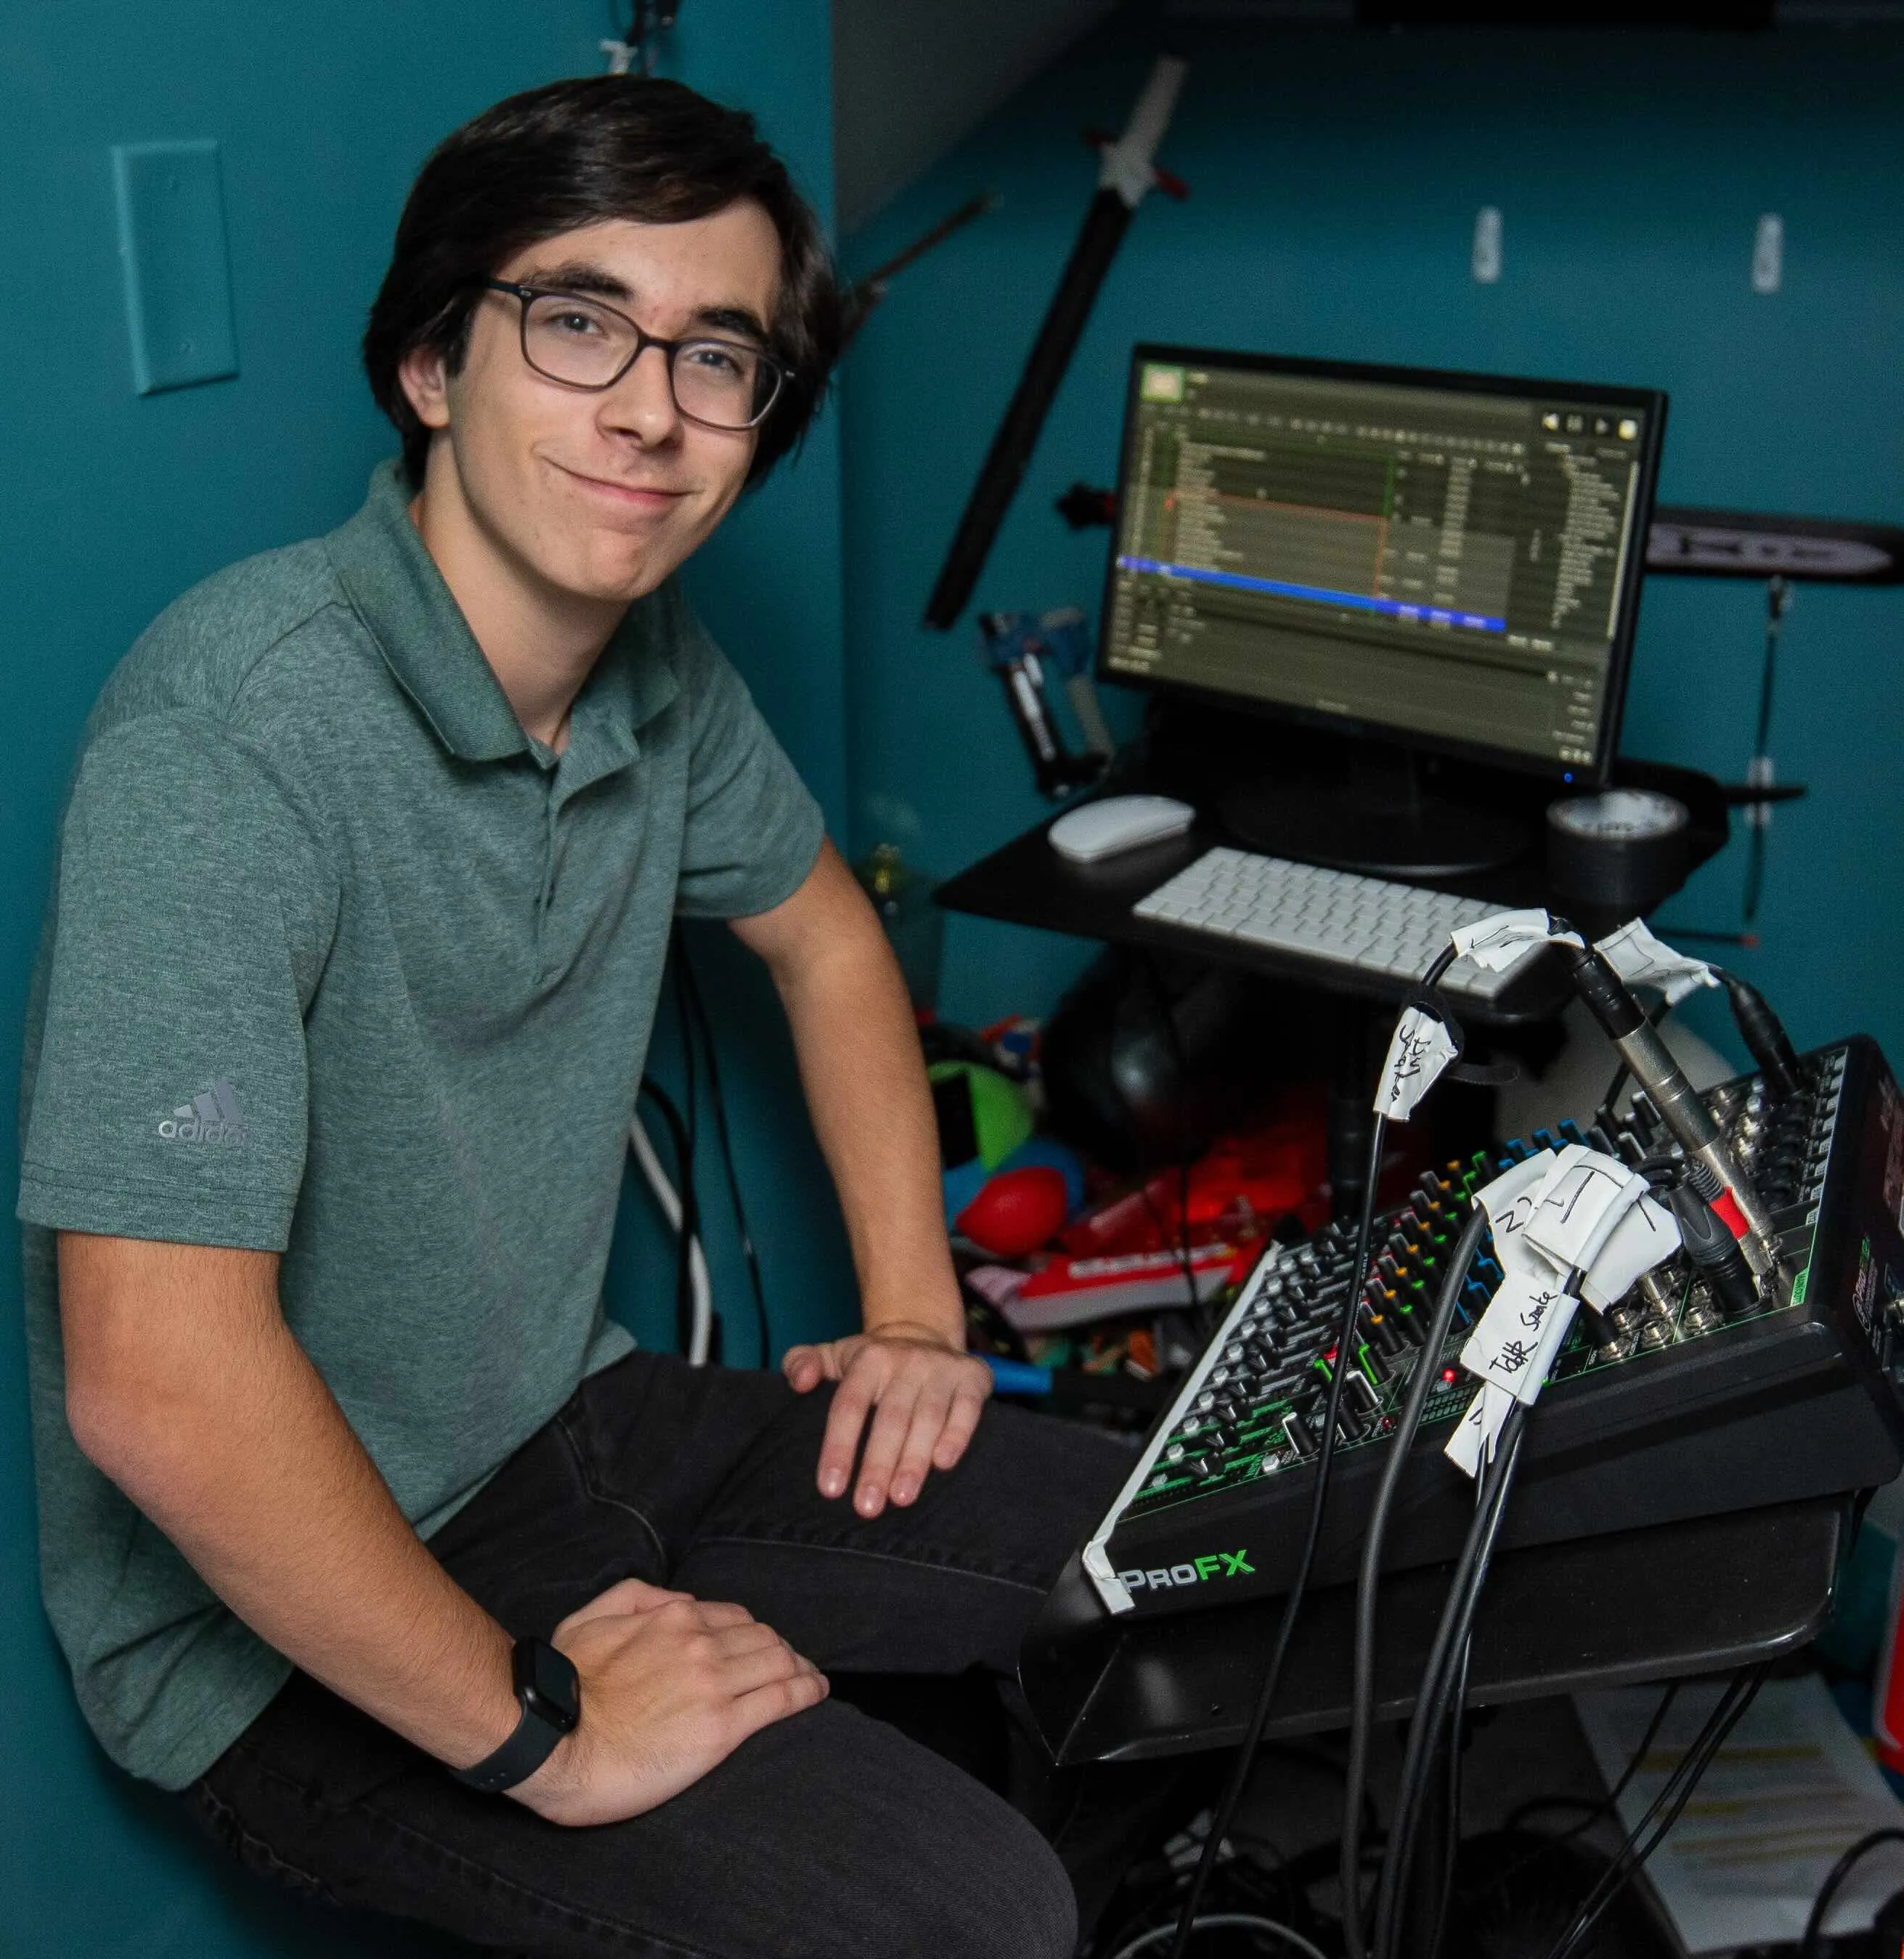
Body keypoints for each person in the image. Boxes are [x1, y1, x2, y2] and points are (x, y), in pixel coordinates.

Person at [18, 76, 1134, 1959]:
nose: (649, 407)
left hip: (569, 1425)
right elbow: (160, 1392)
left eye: (718, 354)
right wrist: (546, 1737)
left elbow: (830, 943)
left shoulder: (654, 676)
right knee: (985, 1919)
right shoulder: (227, 741)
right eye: (577, 320)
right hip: (269, 1633)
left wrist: (912, 1318)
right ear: (432, 365)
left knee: (1171, 1555)